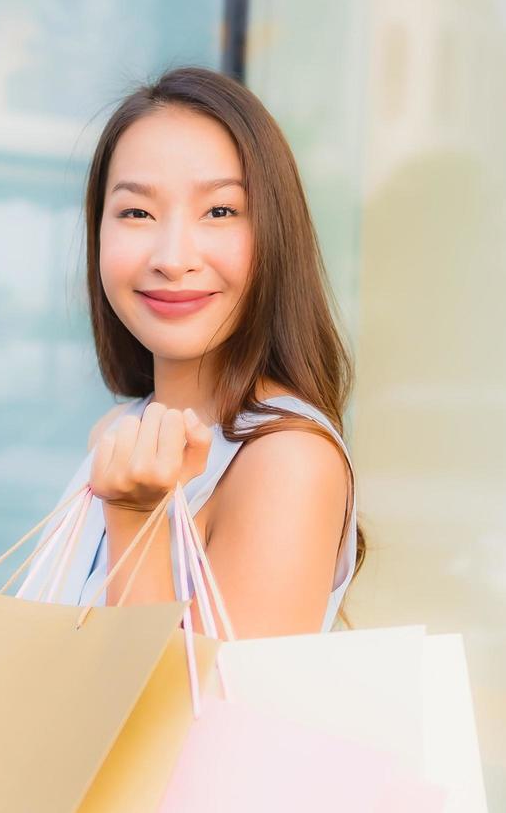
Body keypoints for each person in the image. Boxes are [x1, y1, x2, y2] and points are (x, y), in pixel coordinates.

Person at [21, 67, 363, 638]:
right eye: (136, 212)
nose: (173, 257)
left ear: (276, 234)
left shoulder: (286, 461)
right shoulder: (120, 430)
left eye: (220, 211)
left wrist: (137, 519)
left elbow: (198, 721)